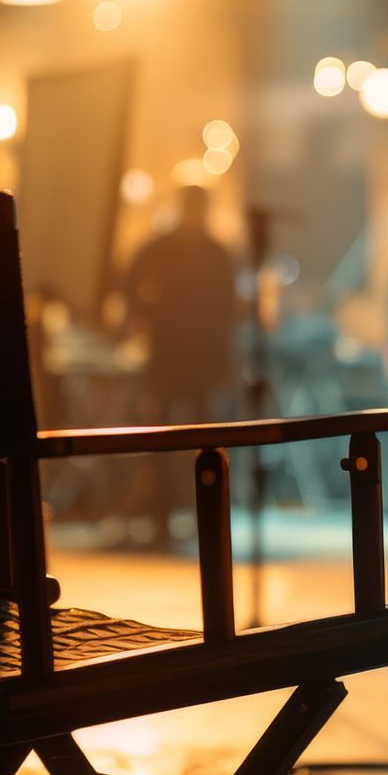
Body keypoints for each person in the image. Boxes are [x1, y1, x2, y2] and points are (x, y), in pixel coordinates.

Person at [120, 183, 240, 547]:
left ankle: (203, 512)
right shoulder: (174, 250)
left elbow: (227, 312)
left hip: (196, 360)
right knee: (165, 438)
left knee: (202, 439)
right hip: (171, 357)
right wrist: (144, 316)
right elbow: (129, 284)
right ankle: (165, 514)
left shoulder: (213, 254)